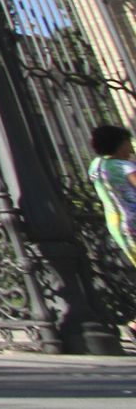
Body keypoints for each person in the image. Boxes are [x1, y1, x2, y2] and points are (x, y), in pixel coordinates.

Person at [88, 123, 136, 343]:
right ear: (120, 144)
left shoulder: (96, 166)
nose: (130, 147)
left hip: (117, 226)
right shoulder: (124, 167)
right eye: (128, 143)